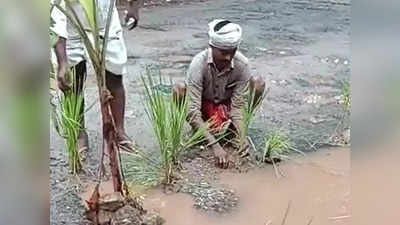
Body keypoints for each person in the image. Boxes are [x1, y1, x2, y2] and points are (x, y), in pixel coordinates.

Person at [51, 0, 143, 157]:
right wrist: (62, 62)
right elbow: (54, 15)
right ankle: (79, 133)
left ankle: (118, 131)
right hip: (70, 24)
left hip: (104, 20)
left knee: (114, 77)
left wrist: (133, 5)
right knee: (72, 81)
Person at [173, 19, 266, 168]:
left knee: (258, 83)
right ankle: (200, 132)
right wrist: (215, 145)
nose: (228, 57)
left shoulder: (242, 64)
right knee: (179, 89)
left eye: (232, 52)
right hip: (204, 107)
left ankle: (234, 132)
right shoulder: (198, 64)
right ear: (212, 47)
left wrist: (242, 135)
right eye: (223, 52)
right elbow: (192, 109)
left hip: (226, 107)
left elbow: (237, 107)